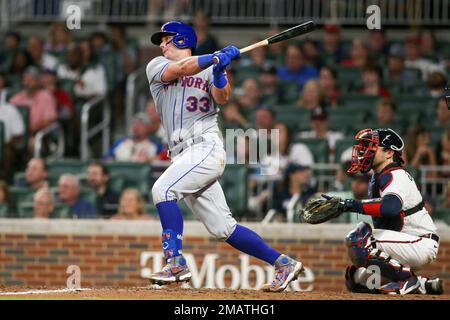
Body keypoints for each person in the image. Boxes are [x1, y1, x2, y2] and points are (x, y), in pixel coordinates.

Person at [146, 21, 303, 292]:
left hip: (204, 147)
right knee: (223, 228)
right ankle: (283, 263)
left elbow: (223, 97)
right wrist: (215, 57)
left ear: (183, 40)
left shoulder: (208, 67)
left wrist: (219, 72)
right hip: (182, 155)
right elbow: (183, 69)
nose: (162, 45)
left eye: (167, 39)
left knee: (163, 190)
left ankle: (175, 263)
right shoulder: (156, 66)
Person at [329, 128, 442, 295]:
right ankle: (423, 284)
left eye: (371, 146)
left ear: (389, 152)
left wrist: (352, 205)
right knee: (357, 279)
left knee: (359, 238)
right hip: (402, 244)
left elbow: (391, 207)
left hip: (420, 242)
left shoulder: (397, 175)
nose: (364, 151)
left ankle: (406, 279)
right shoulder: (377, 177)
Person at [9, 66, 58, 136]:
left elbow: (49, 121)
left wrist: (31, 130)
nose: (27, 83)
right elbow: (8, 112)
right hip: (17, 135)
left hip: (38, 134)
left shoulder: (46, 96)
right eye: (26, 80)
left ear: (38, 81)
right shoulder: (19, 97)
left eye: (31, 80)